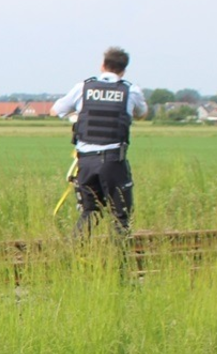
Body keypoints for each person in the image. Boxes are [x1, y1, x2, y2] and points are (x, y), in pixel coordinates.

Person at [52, 47, 147, 239]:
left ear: (102, 66)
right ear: (124, 70)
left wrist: (79, 116)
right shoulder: (130, 91)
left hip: (85, 163)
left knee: (90, 212)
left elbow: (55, 110)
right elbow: (142, 113)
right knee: (121, 217)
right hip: (113, 161)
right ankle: (120, 263)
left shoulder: (83, 88)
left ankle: (74, 253)